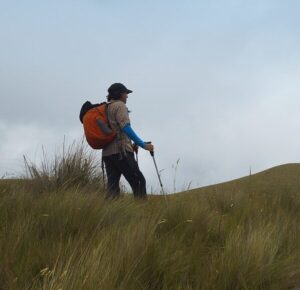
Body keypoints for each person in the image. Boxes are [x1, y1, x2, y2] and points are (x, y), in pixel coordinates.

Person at [102, 83, 154, 199]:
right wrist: (143, 145)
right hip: (122, 152)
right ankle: (142, 213)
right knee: (139, 181)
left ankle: (109, 214)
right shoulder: (120, 106)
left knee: (112, 187)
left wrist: (132, 143)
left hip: (107, 153)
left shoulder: (106, 107)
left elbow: (115, 130)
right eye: (126, 93)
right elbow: (125, 127)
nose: (127, 96)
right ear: (120, 93)